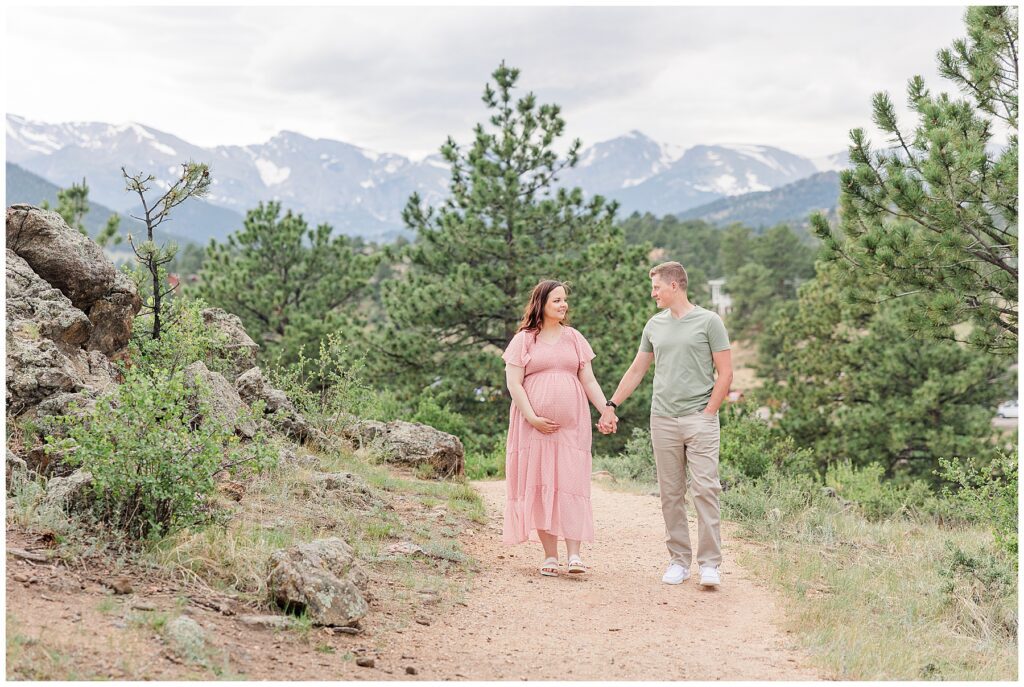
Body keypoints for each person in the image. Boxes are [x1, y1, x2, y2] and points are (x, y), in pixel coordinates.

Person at [598, 262, 732, 587]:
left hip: (700, 420)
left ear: (675, 285)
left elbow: (725, 373)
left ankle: (710, 564)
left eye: (657, 287)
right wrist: (611, 405)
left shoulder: (709, 322)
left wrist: (709, 413)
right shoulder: (654, 325)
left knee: (705, 491)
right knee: (670, 494)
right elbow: (636, 371)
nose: (653, 293)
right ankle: (679, 561)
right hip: (662, 420)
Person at [502, 280, 612, 577]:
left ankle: (574, 555)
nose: (563, 305)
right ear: (541, 304)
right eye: (557, 300)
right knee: (540, 485)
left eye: (564, 300)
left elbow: (588, 380)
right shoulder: (524, 340)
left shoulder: (574, 338)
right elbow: (514, 384)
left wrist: (606, 409)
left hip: (571, 426)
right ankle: (550, 556)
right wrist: (533, 417)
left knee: (571, 483)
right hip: (533, 427)